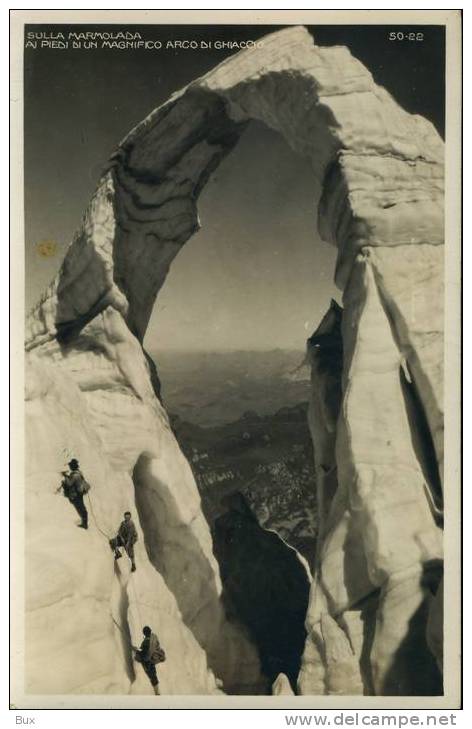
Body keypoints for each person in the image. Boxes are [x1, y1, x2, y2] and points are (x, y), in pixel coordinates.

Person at [56, 458, 90, 529]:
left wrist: (65, 476)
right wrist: (67, 476)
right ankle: (84, 523)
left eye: (70, 466)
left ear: (73, 466)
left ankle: (84, 524)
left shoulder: (75, 475)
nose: (70, 467)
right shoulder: (78, 472)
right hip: (79, 493)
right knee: (82, 508)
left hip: (77, 495)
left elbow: (69, 483)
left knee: (81, 508)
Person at [133, 626, 165, 695]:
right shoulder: (153, 638)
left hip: (147, 662)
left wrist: (136, 650)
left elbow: (143, 652)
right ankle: (157, 692)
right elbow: (155, 647)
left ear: (144, 633)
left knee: (152, 676)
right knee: (153, 676)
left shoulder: (146, 642)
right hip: (153, 660)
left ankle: (157, 693)